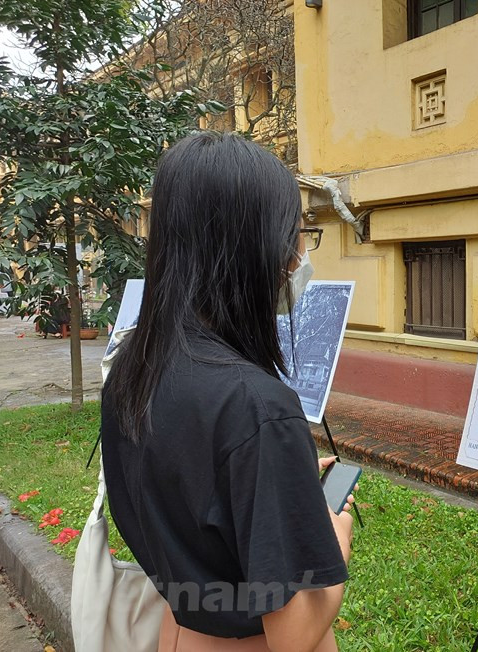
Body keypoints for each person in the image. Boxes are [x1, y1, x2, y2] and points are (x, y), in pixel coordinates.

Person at [100, 131, 354, 652]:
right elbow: (294, 633)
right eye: (296, 233)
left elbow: (192, 491)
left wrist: (279, 481)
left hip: (178, 634)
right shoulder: (256, 408)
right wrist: (337, 540)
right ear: (252, 247)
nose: (298, 257)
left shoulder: (131, 369)